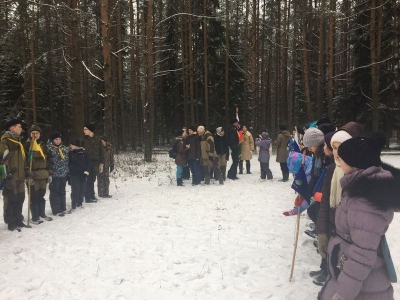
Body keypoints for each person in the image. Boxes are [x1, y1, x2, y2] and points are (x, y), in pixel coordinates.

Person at [319, 132, 399, 300]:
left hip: (363, 288)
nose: (338, 161)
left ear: (354, 163)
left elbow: (362, 254)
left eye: (341, 158)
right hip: (350, 275)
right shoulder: (357, 187)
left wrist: (342, 294)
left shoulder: (365, 201)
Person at [0, 119, 28, 231]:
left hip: (20, 177)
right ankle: (10, 222)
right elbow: (2, 162)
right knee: (10, 199)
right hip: (10, 177)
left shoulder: (18, 142)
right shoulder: (4, 142)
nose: (21, 129)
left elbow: (23, 159)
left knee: (20, 198)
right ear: (12, 128)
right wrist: (6, 177)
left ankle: (18, 219)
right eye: (19, 127)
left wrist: (26, 170)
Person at [24, 125, 52, 224]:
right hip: (33, 174)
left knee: (41, 195)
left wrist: (49, 173)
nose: (35, 135)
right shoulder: (26, 145)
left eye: (37, 133)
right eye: (33, 133)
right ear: (30, 134)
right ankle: (35, 216)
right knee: (34, 196)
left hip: (43, 174)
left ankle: (42, 214)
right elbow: (24, 160)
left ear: (40, 134)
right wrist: (27, 173)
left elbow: (48, 159)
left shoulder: (43, 145)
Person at [47, 131, 69, 217]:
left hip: (63, 173)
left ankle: (62, 208)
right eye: (56, 139)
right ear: (53, 140)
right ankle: (56, 210)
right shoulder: (49, 148)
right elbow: (47, 161)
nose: (58, 141)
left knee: (62, 191)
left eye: (59, 139)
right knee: (54, 192)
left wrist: (67, 171)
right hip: (54, 174)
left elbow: (66, 160)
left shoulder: (63, 148)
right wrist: (49, 172)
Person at [81, 124, 104, 203]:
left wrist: (101, 163)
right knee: (88, 179)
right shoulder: (83, 140)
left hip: (96, 162)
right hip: (86, 162)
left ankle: (92, 195)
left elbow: (101, 152)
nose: (84, 131)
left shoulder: (98, 140)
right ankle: (87, 196)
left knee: (93, 179)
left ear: (90, 130)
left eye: (86, 129)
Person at [68, 139, 91, 210]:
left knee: (82, 189)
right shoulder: (70, 153)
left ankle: (80, 203)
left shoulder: (84, 153)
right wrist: (69, 173)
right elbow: (68, 163)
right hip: (74, 175)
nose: (70, 146)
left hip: (83, 174)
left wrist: (87, 171)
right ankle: (74, 204)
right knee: (75, 189)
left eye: (72, 144)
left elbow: (88, 163)